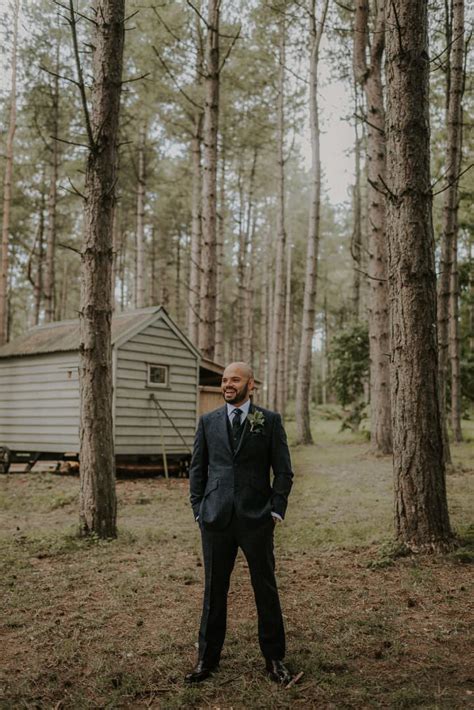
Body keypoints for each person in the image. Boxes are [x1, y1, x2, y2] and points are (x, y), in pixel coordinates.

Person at [185, 361, 294, 684]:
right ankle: (207, 659)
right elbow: (197, 468)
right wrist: (198, 508)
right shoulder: (208, 422)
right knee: (214, 591)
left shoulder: (269, 421)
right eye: (224, 380)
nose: (227, 384)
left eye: (234, 379)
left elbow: (284, 470)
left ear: (251, 385)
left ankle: (274, 659)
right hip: (216, 517)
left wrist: (276, 509)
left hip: (257, 517)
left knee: (265, 588)